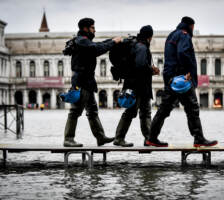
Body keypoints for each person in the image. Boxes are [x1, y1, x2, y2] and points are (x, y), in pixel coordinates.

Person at [146, 17, 218, 147]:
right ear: (190, 26)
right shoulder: (184, 35)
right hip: (181, 79)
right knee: (192, 108)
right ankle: (199, 138)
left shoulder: (171, 35)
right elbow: (183, 52)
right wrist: (188, 72)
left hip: (170, 77)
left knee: (164, 109)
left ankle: (151, 138)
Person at [63, 18, 122, 147]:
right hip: (81, 81)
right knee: (75, 111)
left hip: (88, 82)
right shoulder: (81, 41)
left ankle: (100, 137)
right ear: (85, 28)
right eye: (92, 27)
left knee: (92, 111)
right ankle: (68, 139)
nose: (95, 30)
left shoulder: (84, 41)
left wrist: (112, 40)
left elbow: (99, 44)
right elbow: (97, 49)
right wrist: (113, 42)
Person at [113, 25, 160, 147]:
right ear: (150, 37)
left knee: (145, 112)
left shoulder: (136, 45)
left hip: (138, 86)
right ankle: (119, 138)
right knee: (131, 113)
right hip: (138, 86)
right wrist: (152, 70)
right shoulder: (142, 47)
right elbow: (140, 65)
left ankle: (149, 139)